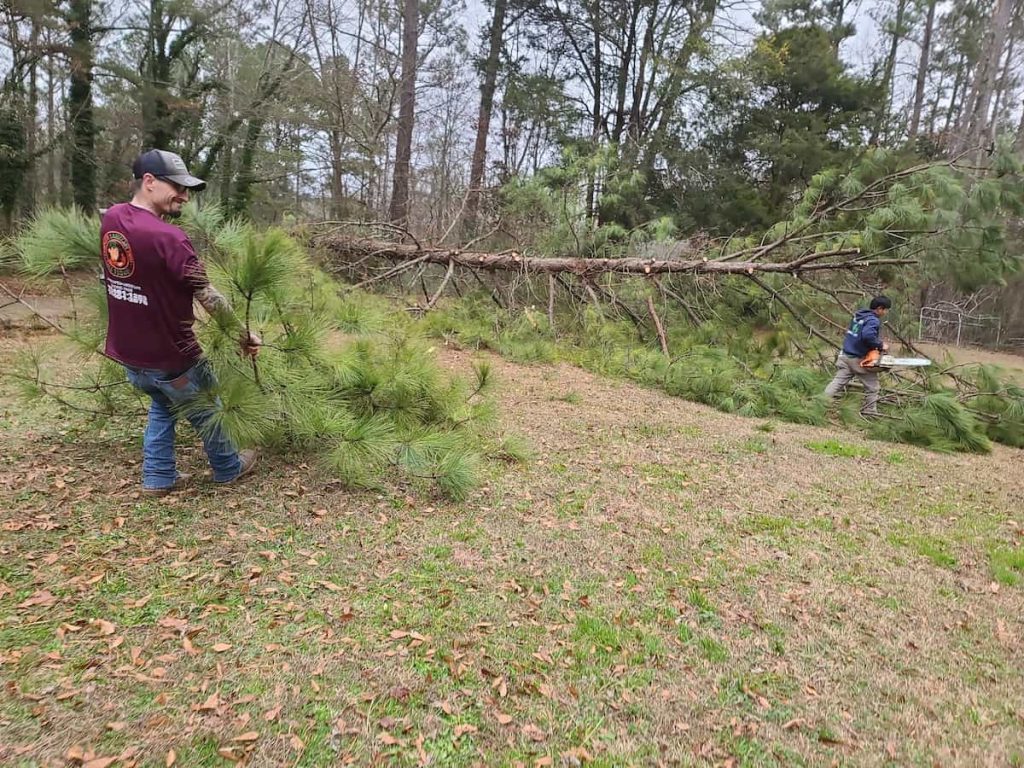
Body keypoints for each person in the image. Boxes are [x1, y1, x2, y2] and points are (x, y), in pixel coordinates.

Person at [101, 149, 260, 496]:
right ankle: (228, 467)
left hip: (130, 354)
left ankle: (158, 478)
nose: (185, 196)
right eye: (178, 187)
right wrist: (242, 334)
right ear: (149, 181)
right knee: (208, 408)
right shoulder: (170, 238)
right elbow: (207, 295)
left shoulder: (112, 219)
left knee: (162, 404)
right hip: (173, 356)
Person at [823, 296, 892, 417]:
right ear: (880, 309)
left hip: (845, 355)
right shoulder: (873, 320)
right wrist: (881, 345)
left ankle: (820, 402)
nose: (886, 313)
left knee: (837, 382)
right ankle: (870, 412)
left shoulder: (859, 316)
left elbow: (859, 335)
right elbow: (867, 336)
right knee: (873, 387)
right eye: (886, 310)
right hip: (858, 358)